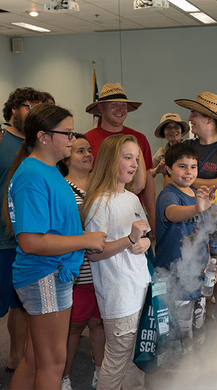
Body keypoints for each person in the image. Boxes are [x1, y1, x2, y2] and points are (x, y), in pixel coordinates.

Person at [2, 104, 106, 389]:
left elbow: (56, 227)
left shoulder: (49, 171)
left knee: (37, 359)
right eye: (68, 134)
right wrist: (86, 239)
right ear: (44, 137)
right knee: (53, 364)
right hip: (45, 275)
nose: (73, 140)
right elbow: (31, 240)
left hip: (51, 273)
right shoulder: (33, 175)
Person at [82, 134, 151, 390]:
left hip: (139, 289)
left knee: (136, 358)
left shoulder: (132, 198)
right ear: (112, 160)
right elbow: (94, 252)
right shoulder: (100, 201)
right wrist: (129, 238)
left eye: (136, 158)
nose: (134, 164)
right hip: (119, 297)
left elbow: (144, 236)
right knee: (117, 361)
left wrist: (144, 242)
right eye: (127, 158)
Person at [175, 91, 217, 325]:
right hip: (194, 230)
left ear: (209, 119)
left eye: (194, 113)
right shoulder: (187, 146)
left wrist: (194, 181)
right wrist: (214, 181)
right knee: (197, 293)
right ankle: (199, 342)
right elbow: (176, 179)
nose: (190, 118)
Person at [154, 142, 217, 352]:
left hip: (198, 279)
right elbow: (172, 213)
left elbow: (202, 234)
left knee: (198, 329)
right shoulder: (169, 194)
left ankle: (195, 371)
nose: (188, 171)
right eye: (182, 166)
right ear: (169, 168)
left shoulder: (197, 194)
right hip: (175, 280)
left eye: (193, 166)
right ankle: (175, 376)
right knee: (177, 336)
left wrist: (210, 264)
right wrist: (196, 208)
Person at [0, 87, 46, 375]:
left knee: (22, 304)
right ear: (14, 109)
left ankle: (15, 359)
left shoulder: (39, 143)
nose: (34, 113)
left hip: (28, 239)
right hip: (0, 240)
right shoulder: (2, 138)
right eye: (30, 106)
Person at [56, 135, 105, 390]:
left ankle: (100, 372)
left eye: (89, 150)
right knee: (74, 327)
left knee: (98, 323)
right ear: (66, 157)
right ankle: (63, 376)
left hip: (104, 270)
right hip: (79, 271)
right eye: (79, 151)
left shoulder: (100, 186)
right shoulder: (62, 187)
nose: (87, 154)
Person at [85, 83, 153, 235]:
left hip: (133, 213)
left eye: (123, 105)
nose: (120, 109)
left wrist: (153, 218)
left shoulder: (139, 138)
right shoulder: (88, 140)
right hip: (104, 215)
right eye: (114, 105)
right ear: (101, 108)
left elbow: (147, 180)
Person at [151, 113, 189, 187]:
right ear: (163, 132)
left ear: (181, 130)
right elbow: (147, 173)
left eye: (176, 127)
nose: (173, 130)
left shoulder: (190, 148)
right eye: (168, 127)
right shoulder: (161, 152)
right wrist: (156, 171)